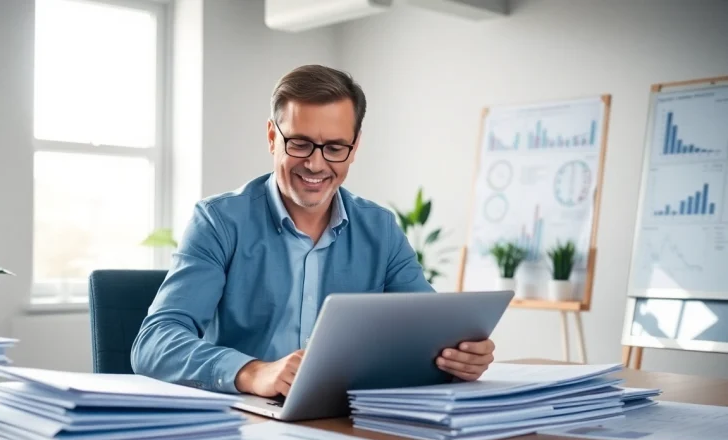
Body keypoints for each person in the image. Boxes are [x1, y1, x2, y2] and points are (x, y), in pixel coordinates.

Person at [131, 64, 495, 398]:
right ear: (273, 137)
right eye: (300, 143)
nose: (316, 164)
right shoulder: (218, 222)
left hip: (346, 420)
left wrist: (461, 356)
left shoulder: (380, 230)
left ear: (354, 149)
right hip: (243, 422)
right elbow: (154, 342)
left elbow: (429, 332)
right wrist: (252, 372)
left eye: (335, 147)